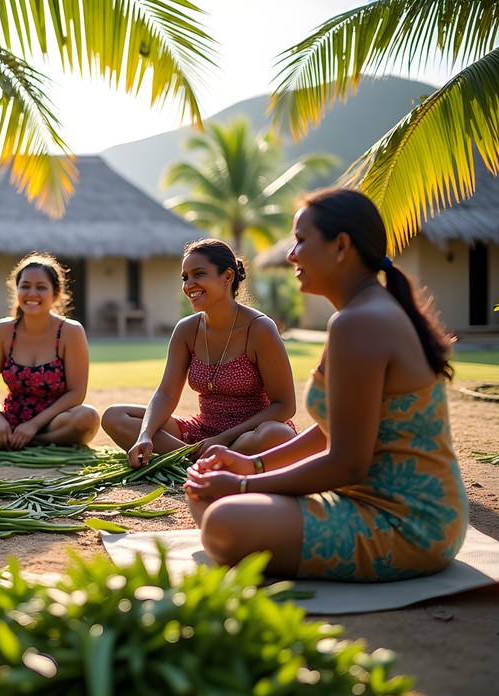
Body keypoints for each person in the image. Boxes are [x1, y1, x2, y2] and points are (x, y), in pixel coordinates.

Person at [184, 188, 469, 581]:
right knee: (208, 501)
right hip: (371, 500)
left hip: (410, 521)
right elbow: (331, 429)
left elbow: (348, 462)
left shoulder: (360, 321)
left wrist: (245, 483)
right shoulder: (356, 315)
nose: (291, 255)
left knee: (222, 521)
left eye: (301, 241)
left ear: (341, 246)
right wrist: (252, 464)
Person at [102, 238, 297, 466]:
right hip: (200, 435)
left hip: (248, 436)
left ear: (227, 277)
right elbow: (166, 394)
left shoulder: (260, 329)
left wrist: (223, 439)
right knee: (115, 417)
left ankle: (207, 460)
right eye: (185, 277)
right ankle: (200, 460)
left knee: (277, 434)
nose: (189, 284)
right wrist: (145, 434)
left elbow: (285, 406)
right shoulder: (187, 329)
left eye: (199, 274)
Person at [0, 252, 100, 450]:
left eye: (41, 287)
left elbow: (76, 393)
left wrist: (33, 425)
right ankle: (14, 437)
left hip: (54, 420)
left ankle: (30, 441)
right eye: (25, 286)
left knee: (88, 417)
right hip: (10, 419)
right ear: (16, 290)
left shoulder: (71, 331)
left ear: (56, 293)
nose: (32, 294)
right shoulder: (3, 330)